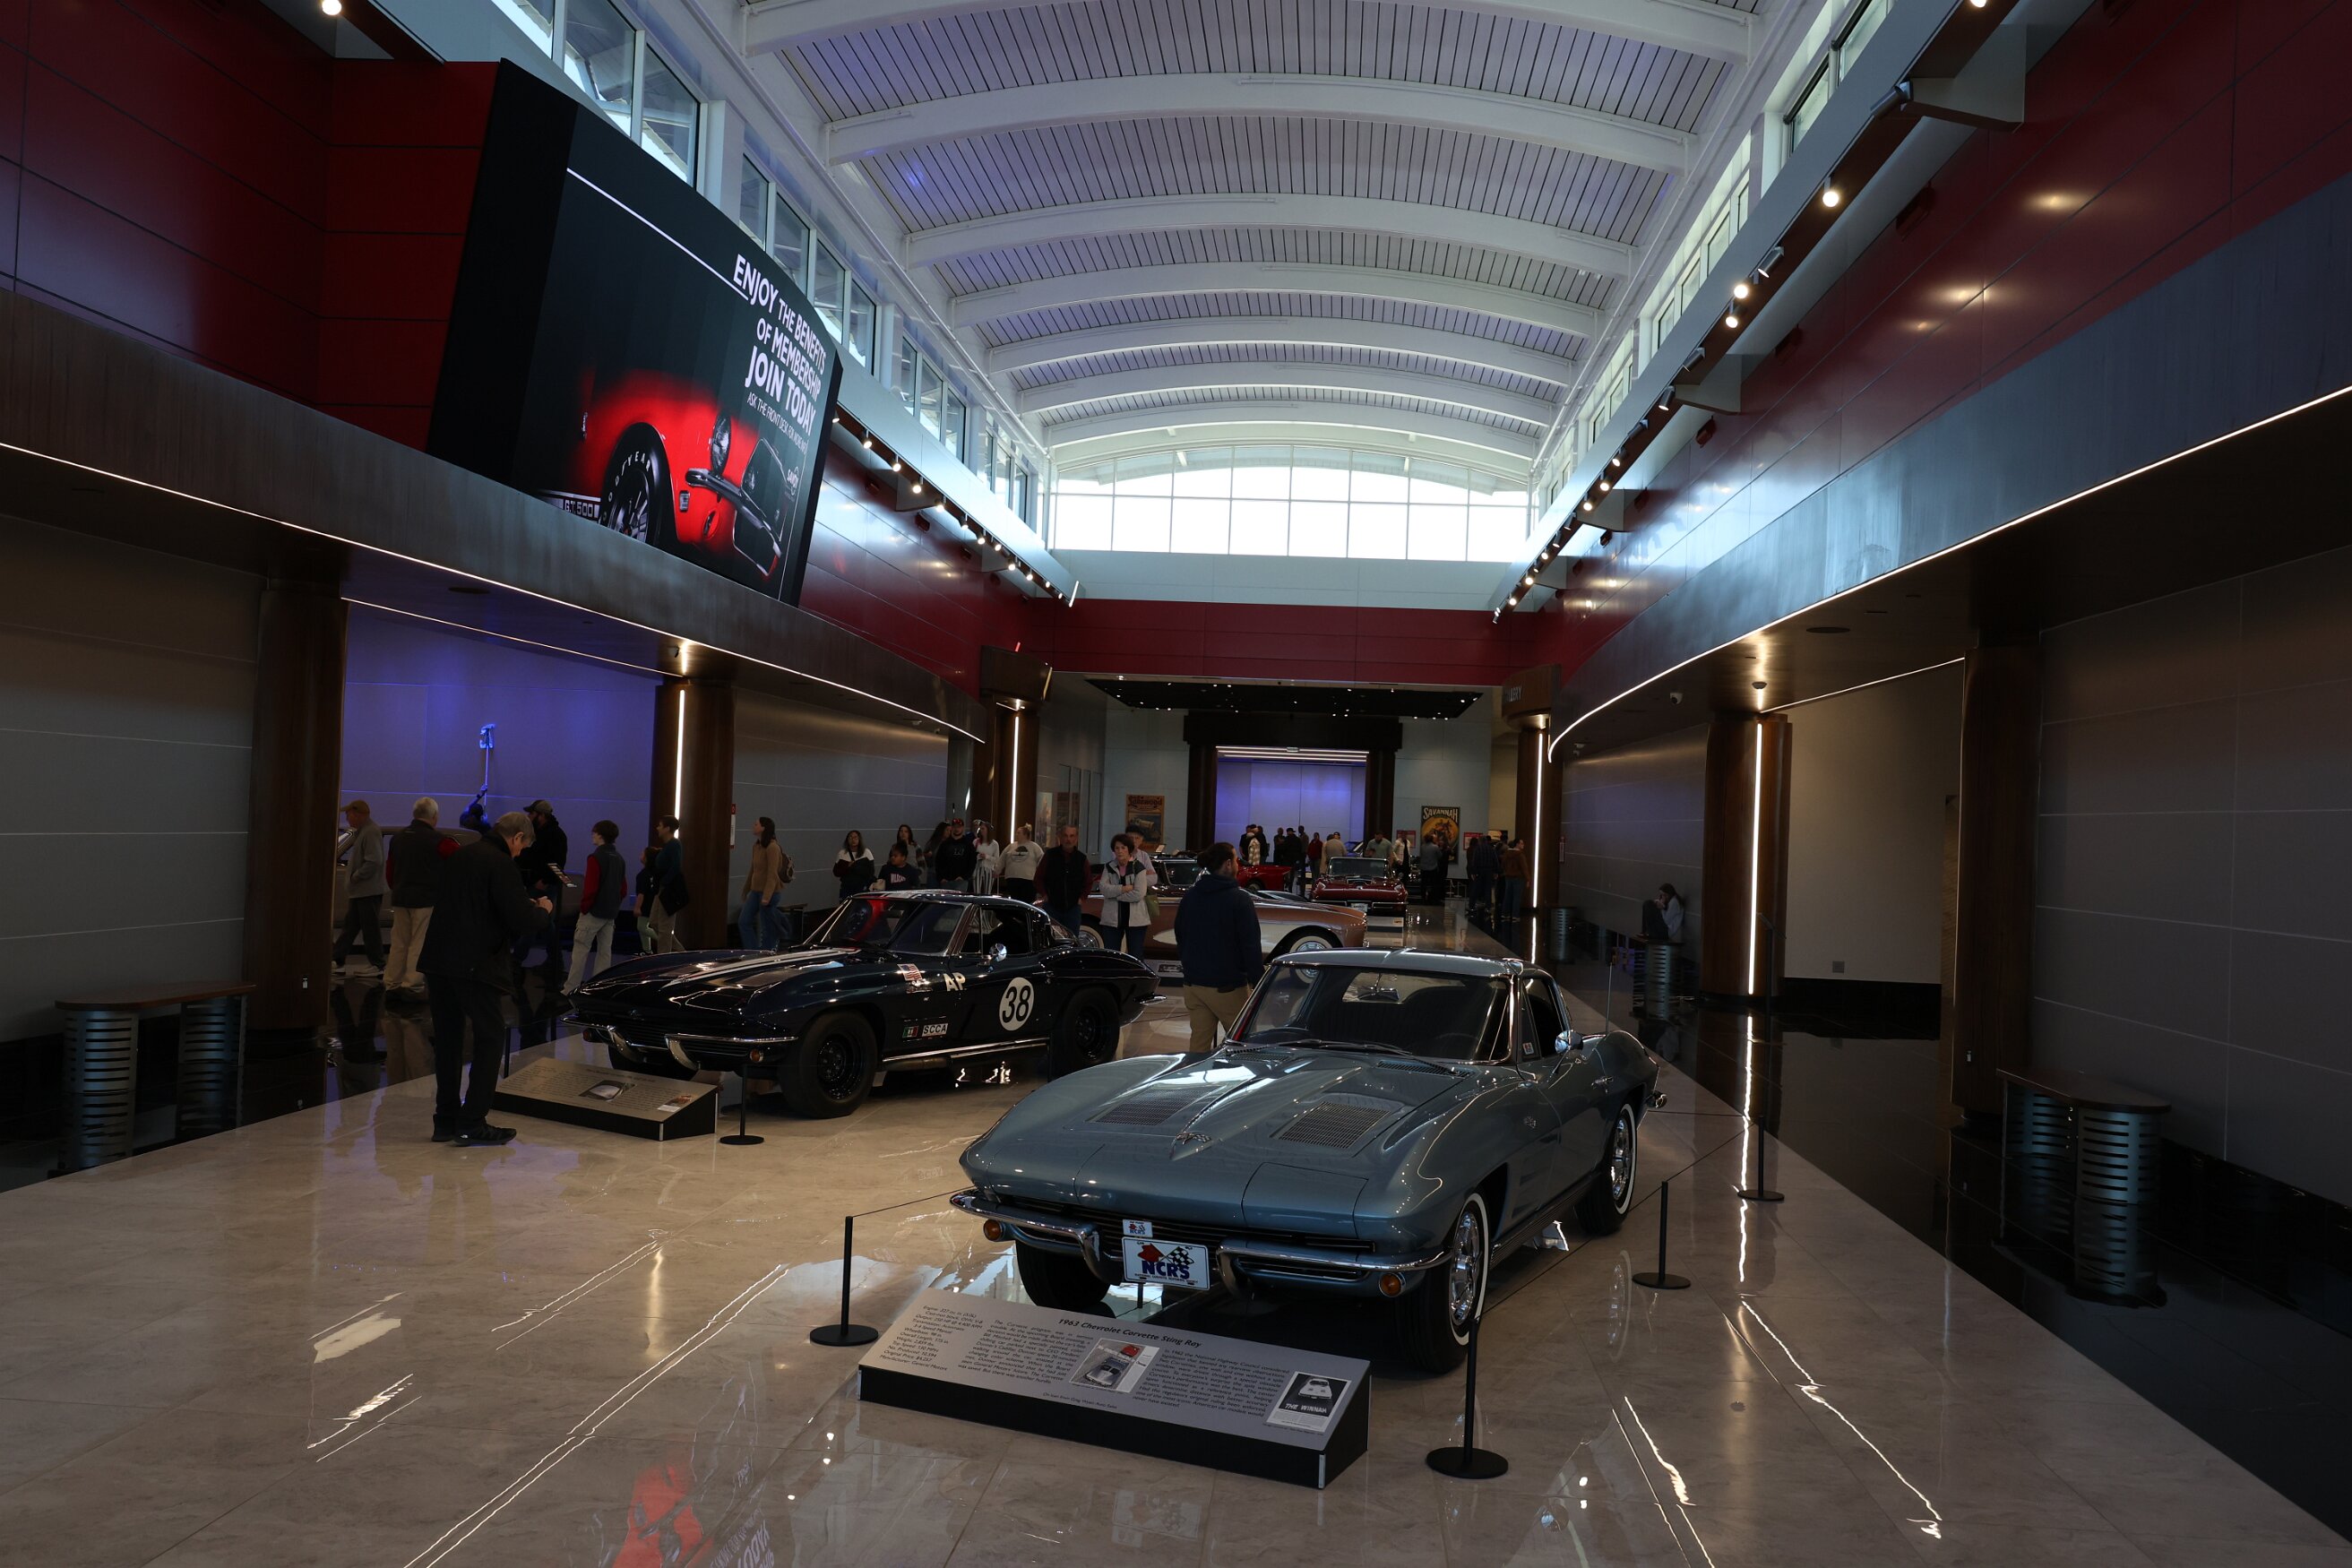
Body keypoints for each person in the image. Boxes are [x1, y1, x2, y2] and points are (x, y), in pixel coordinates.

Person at [419, 809, 552, 1147]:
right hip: (475, 964)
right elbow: (522, 920)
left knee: (448, 1040)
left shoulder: (462, 855)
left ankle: (445, 1120)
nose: (519, 853)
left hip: (438, 960)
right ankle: (472, 1121)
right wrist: (543, 911)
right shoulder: (500, 862)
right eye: (522, 847)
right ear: (517, 837)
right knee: (490, 1037)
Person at [1174, 842, 1261, 1054]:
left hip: (1194, 984)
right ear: (1228, 864)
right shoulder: (1239, 899)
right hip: (1227, 987)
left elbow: (1180, 935)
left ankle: (1196, 1074)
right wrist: (1258, 981)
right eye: (1236, 860)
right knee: (1243, 1045)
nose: (1238, 865)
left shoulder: (1191, 896)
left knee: (1199, 1046)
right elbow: (1250, 945)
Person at [383, 797, 451, 999]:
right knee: (418, 943)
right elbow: (457, 863)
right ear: (434, 816)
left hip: (401, 897)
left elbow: (390, 870)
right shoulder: (439, 841)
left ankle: (392, 983)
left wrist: (397, 888)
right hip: (425, 899)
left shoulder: (398, 838)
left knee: (399, 942)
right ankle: (412, 985)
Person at [564, 820, 626, 994]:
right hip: (610, 913)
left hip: (593, 912)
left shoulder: (595, 858)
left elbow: (591, 888)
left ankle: (571, 988)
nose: (592, 835)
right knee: (604, 953)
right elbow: (623, 889)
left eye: (594, 832)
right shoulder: (619, 859)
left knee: (580, 951)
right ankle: (599, 989)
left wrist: (585, 907)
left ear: (600, 835)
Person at [333, 799, 388, 978]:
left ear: (358, 814)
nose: (347, 818)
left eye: (348, 815)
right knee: (351, 927)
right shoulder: (364, 832)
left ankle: (378, 964)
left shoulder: (370, 832)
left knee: (370, 929)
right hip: (361, 891)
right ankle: (338, 960)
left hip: (367, 890)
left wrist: (356, 876)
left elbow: (374, 860)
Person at [514, 799, 569, 970]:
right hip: (537, 882)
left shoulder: (554, 835)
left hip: (543, 885)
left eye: (532, 813)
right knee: (544, 923)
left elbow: (557, 862)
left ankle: (516, 959)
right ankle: (555, 960)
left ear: (542, 815)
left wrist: (544, 880)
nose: (529, 816)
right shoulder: (540, 832)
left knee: (533, 920)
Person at [1093, 834, 1155, 956]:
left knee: (1135, 954)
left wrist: (1115, 896)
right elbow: (1104, 889)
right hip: (1112, 919)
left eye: (1123, 848)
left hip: (1136, 920)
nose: (1120, 851)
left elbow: (1138, 894)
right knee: (1112, 955)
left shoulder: (1139, 867)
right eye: (1117, 848)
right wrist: (1123, 889)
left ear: (1129, 849)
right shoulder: (1109, 867)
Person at [739, 816, 787, 950]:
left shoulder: (772, 847)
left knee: (767, 929)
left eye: (756, 824)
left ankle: (766, 953)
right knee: (744, 922)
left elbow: (772, 873)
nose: (753, 826)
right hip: (756, 891)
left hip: (769, 892)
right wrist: (746, 889)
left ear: (764, 828)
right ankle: (753, 952)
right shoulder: (757, 846)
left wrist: (766, 896)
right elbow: (753, 870)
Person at [1035, 823, 1090, 934]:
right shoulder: (1050, 855)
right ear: (1060, 837)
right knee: (1050, 937)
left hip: (1073, 908)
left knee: (1071, 939)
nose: (1068, 839)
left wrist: (1082, 898)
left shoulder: (1082, 859)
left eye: (1072, 836)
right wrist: (1044, 894)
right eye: (1065, 835)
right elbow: (1038, 878)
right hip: (1052, 906)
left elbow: (1088, 881)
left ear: (1076, 838)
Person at [645, 815, 687, 953]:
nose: (657, 828)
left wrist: (664, 881)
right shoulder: (668, 846)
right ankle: (680, 951)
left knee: (665, 927)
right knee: (654, 922)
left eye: (660, 826)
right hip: (662, 888)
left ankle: (664, 956)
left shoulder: (674, 844)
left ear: (667, 828)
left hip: (669, 889)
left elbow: (676, 866)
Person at [999, 823, 1043, 903]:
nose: (1016, 834)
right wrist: (997, 870)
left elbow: (1042, 859)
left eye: (1019, 833)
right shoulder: (1011, 846)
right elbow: (1002, 858)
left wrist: (1040, 874)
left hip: (1028, 880)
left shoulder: (1034, 846)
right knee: (1014, 902)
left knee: (1027, 902)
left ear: (1025, 835)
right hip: (1012, 878)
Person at [831, 830, 875, 903]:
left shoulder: (866, 852)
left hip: (861, 888)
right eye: (850, 837)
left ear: (859, 839)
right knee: (845, 907)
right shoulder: (842, 853)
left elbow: (871, 872)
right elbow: (836, 872)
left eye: (855, 837)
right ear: (847, 840)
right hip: (846, 888)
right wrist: (847, 866)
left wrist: (856, 867)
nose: (853, 840)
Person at [934, 818, 977, 891]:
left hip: (961, 881)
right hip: (946, 881)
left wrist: (964, 877)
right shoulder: (945, 844)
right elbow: (938, 861)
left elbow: (972, 862)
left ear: (962, 828)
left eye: (959, 827)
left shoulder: (968, 845)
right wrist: (941, 878)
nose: (957, 829)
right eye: (955, 827)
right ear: (952, 828)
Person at [1466, 830, 1499, 921]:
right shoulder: (1491, 849)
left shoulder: (1477, 849)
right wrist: (1496, 872)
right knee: (1488, 890)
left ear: (1480, 841)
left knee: (1475, 889)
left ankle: (1471, 906)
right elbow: (1495, 861)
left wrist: (1473, 872)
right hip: (1489, 871)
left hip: (1479, 871)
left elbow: (1474, 861)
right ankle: (1488, 907)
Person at [1498, 838, 1528, 923]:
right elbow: (1524, 868)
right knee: (1516, 897)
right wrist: (1528, 878)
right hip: (1518, 877)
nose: (1523, 845)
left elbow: (1503, 864)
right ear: (1517, 844)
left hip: (1508, 877)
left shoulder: (1507, 854)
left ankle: (1505, 914)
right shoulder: (1520, 855)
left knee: (1507, 896)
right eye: (1521, 843)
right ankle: (1515, 915)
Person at [970, 820, 1002, 894]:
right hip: (977, 868)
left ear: (988, 830)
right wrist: (978, 856)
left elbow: (997, 859)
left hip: (989, 869)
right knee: (976, 892)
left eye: (983, 829)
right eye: (980, 829)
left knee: (987, 892)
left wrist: (987, 857)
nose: (981, 830)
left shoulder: (994, 844)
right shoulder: (976, 842)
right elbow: (971, 856)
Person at [1418, 830, 1447, 904]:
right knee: (1433, 884)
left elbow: (1421, 856)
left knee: (1423, 884)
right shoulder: (1435, 847)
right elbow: (1440, 856)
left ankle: (1423, 898)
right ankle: (1432, 898)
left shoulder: (1422, 847)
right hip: (1432, 868)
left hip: (1424, 868)